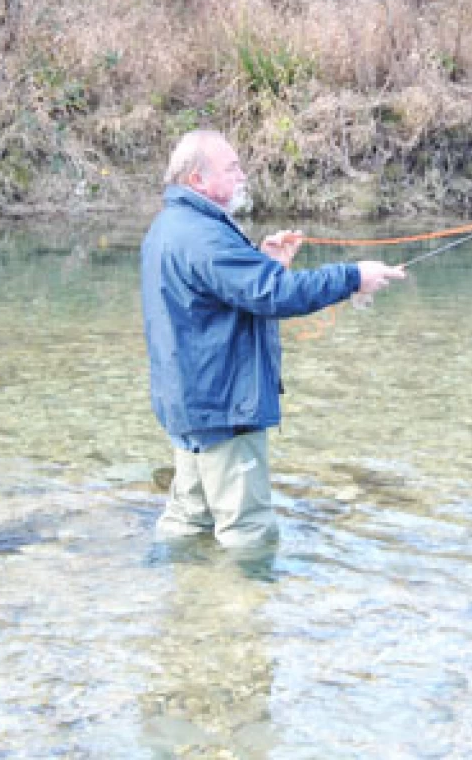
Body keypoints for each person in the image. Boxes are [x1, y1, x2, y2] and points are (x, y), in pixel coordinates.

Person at [141, 129, 406, 549]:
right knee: (249, 534)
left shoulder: (171, 226)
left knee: (189, 521)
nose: (243, 174)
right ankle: (242, 610)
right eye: (232, 168)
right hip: (224, 407)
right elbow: (275, 295)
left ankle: (180, 607)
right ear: (197, 180)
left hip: (190, 402)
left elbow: (221, 295)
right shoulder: (204, 235)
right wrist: (353, 276)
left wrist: (265, 263)